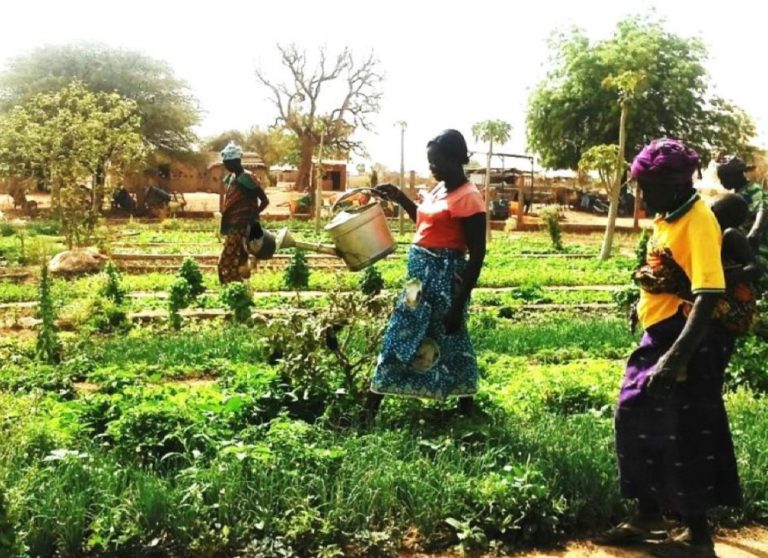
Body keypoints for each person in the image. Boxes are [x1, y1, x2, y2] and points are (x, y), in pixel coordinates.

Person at [599, 139, 741, 558]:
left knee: (685, 432)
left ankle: (698, 537)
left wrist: (673, 359)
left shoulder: (698, 221)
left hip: (687, 339)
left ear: (677, 183)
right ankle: (649, 515)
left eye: (647, 186)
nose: (641, 194)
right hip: (660, 332)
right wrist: (641, 307)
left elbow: (709, 294)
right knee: (636, 417)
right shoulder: (669, 216)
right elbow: (661, 271)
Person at [363, 129, 487, 421]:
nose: (432, 167)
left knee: (452, 339)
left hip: (444, 282)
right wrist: (400, 198)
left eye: (436, 162)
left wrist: (458, 304)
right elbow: (424, 222)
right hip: (418, 283)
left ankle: (466, 409)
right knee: (400, 334)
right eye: (429, 162)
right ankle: (371, 407)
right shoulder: (439, 189)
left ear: (456, 159)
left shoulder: (469, 197)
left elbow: (477, 253)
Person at [217, 142, 270, 284]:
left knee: (225, 264)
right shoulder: (233, 178)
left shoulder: (247, 178)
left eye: (227, 162)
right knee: (238, 263)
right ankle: (237, 292)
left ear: (236, 161)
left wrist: (252, 216)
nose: (226, 166)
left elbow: (264, 201)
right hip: (233, 227)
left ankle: (232, 291)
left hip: (242, 228)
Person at [716, 157, 768, 271]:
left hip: (758, 245)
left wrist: (755, 230)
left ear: (736, 175)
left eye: (724, 178)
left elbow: (763, 208)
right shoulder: (739, 192)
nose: (722, 182)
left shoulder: (752, 191)